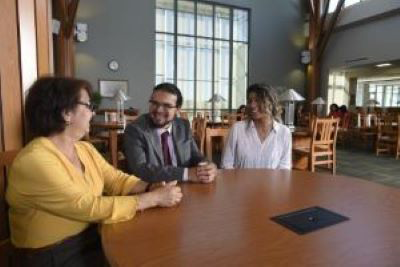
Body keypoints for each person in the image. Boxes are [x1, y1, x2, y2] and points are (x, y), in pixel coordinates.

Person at [6, 77, 182, 267]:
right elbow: (88, 207)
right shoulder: (35, 160)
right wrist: (153, 198)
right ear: (66, 113)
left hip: (93, 236)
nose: (93, 112)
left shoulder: (84, 149)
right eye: (89, 105)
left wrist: (149, 187)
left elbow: (116, 180)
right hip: (51, 255)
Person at [123, 82, 217, 184]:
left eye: (167, 106)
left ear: (178, 109)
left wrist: (208, 166)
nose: (158, 110)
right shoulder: (135, 130)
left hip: (186, 188)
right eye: (154, 103)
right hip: (154, 190)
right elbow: (140, 170)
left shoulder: (183, 125)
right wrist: (186, 174)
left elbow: (195, 156)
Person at [221, 84, 292, 169]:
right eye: (250, 101)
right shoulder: (237, 129)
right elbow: (226, 164)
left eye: (258, 100)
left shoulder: (284, 132)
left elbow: (284, 167)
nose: (252, 105)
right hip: (241, 182)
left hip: (273, 182)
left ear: (271, 103)